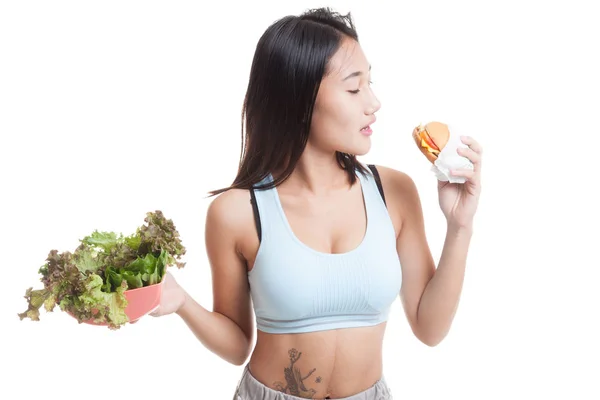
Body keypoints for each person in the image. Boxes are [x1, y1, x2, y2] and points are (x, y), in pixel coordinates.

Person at [151, 7, 483, 400]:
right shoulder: (237, 212)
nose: (374, 102)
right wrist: (180, 302)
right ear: (300, 97)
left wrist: (460, 227)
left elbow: (430, 329)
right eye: (354, 88)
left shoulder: (393, 191)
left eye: (370, 83)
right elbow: (238, 343)